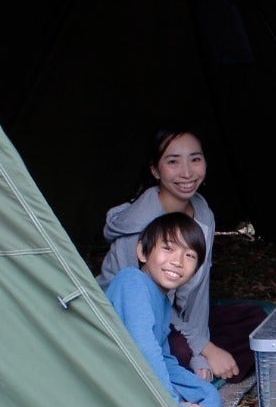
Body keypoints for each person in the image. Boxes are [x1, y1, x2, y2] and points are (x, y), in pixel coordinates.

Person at [99, 129, 262, 381]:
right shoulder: (138, 230)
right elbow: (143, 307)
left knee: (254, 320)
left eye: (195, 159)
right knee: (179, 351)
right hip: (131, 322)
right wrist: (203, 348)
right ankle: (184, 376)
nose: (187, 173)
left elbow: (199, 291)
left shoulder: (202, 212)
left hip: (177, 320)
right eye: (173, 161)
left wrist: (202, 348)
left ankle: (199, 369)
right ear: (155, 170)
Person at [105, 212, 223, 407]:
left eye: (190, 255)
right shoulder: (132, 281)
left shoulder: (162, 301)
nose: (178, 261)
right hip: (111, 387)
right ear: (142, 252)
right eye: (168, 248)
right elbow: (144, 351)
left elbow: (165, 361)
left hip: (134, 387)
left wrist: (209, 396)